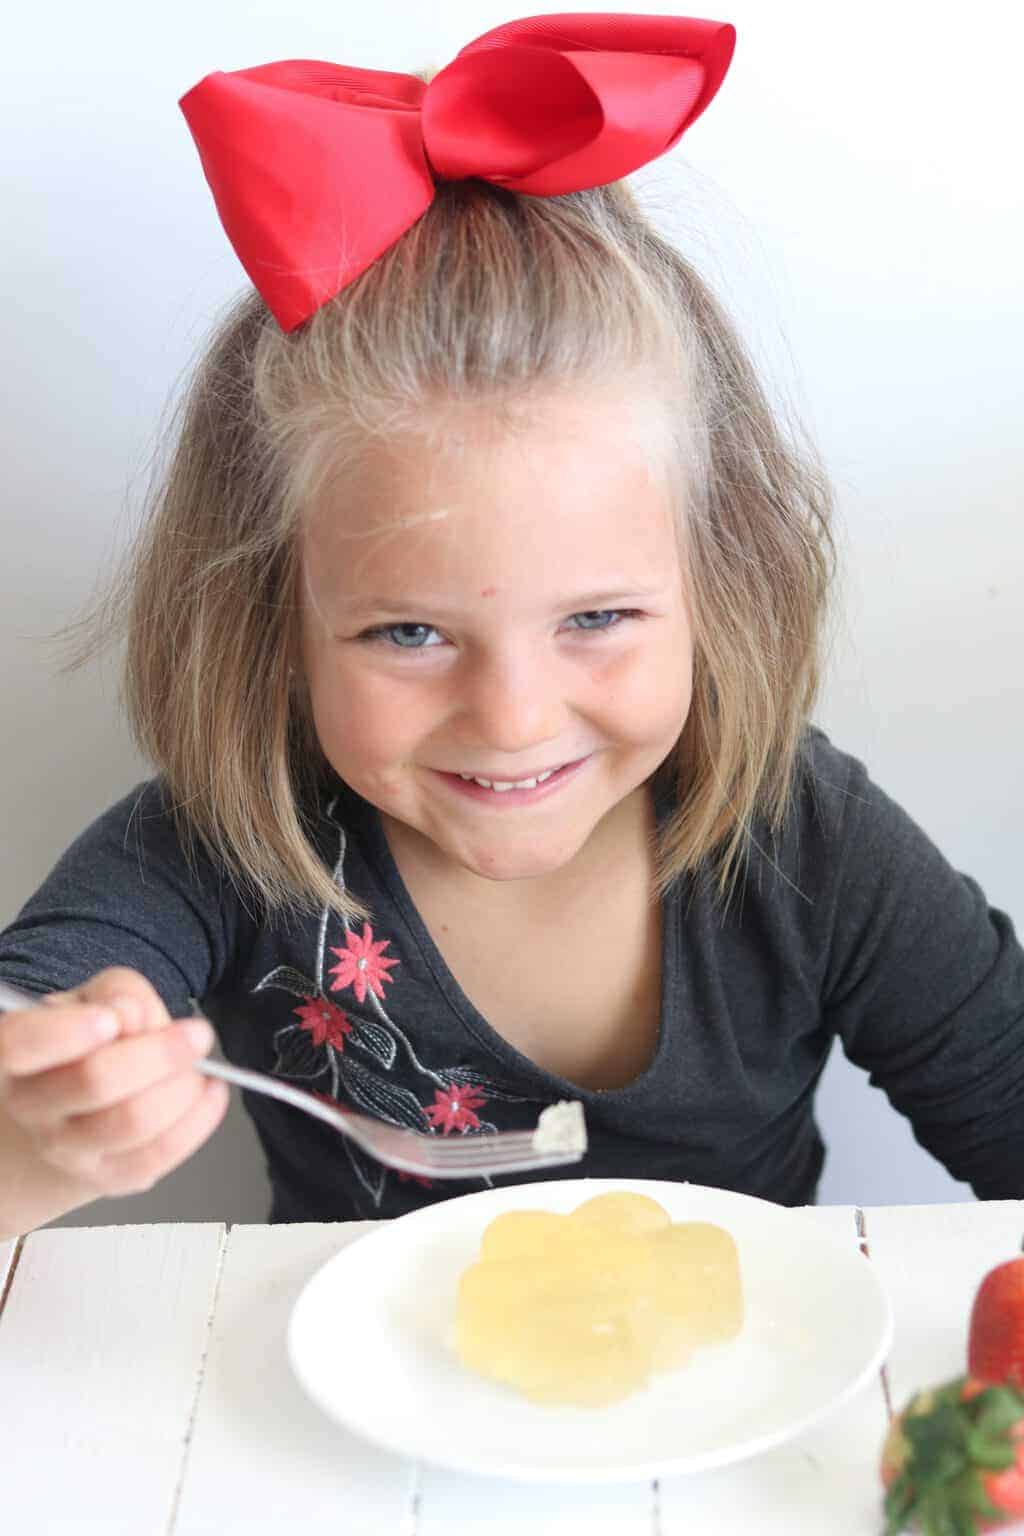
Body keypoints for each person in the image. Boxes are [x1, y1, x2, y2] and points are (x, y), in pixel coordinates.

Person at [1, 12, 1022, 1240]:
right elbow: (25, 1039)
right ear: (272, 620)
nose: (515, 718)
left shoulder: (803, 837)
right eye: (408, 635)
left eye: (596, 617)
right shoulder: (221, 841)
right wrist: (37, 1138)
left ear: (718, 587)